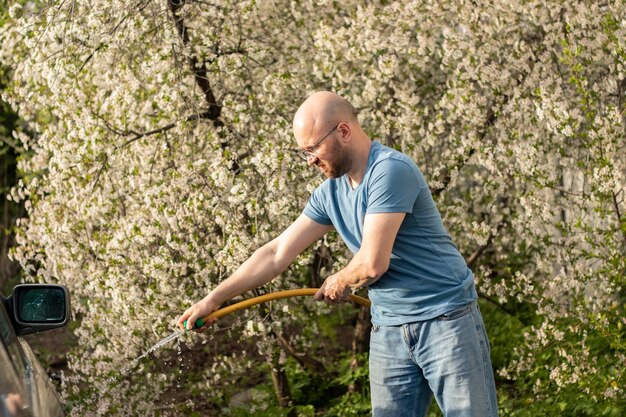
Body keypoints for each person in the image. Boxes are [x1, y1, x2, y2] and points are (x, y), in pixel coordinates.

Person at [177, 91, 499, 417]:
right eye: (303, 152)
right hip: (389, 329)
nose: (310, 160)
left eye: (314, 148)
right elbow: (276, 253)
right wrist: (214, 299)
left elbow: (373, 263)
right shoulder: (329, 194)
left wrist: (341, 278)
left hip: (445, 321)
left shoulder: (390, 171)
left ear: (344, 131)